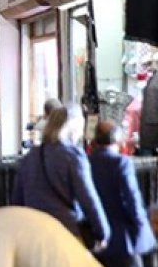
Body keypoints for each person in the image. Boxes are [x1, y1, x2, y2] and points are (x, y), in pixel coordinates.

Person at [12, 103, 111, 248]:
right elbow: (88, 198)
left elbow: (17, 199)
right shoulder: (74, 156)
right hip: (65, 231)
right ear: (74, 127)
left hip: (35, 233)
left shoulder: (30, 157)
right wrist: (103, 232)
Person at [88, 122, 156, 267]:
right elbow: (132, 199)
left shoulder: (87, 162)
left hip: (94, 236)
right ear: (118, 140)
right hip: (121, 236)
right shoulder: (121, 163)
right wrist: (142, 229)